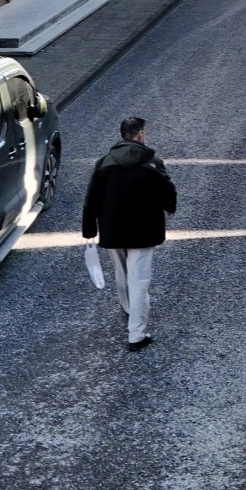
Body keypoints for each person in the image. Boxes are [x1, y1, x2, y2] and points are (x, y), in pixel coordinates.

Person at [82, 116, 178, 351]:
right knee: (139, 280)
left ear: (122, 135)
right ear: (141, 135)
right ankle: (136, 334)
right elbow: (168, 192)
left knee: (122, 273)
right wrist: (170, 208)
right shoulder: (152, 163)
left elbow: (91, 199)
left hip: (113, 229)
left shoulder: (104, 163)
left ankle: (127, 308)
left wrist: (89, 230)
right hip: (144, 231)